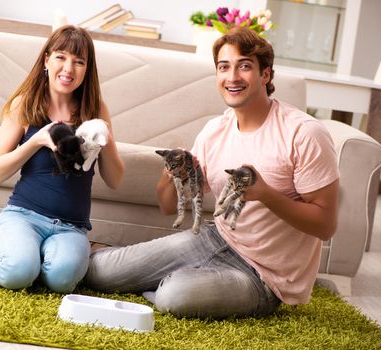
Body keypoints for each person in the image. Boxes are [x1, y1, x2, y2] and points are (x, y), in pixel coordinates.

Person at [84, 27, 339, 319]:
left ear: (265, 75)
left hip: (264, 277)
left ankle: (174, 280)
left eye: (244, 66)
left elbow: (325, 225)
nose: (232, 77)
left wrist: (266, 194)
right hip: (214, 240)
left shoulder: (303, 133)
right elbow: (168, 207)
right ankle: (140, 267)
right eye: (224, 67)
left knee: (174, 296)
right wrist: (173, 173)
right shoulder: (215, 130)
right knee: (98, 273)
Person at [0, 25, 124, 293]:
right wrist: (37, 140)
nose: (69, 69)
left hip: (71, 228)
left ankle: (39, 258)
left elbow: (115, 180)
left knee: (62, 281)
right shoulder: (25, 104)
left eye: (79, 62)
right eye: (61, 57)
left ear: (87, 70)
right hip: (23, 216)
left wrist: (105, 138)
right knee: (19, 273)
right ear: (46, 60)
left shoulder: (96, 109)